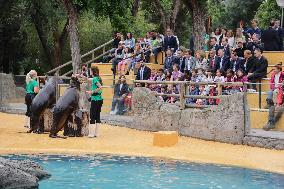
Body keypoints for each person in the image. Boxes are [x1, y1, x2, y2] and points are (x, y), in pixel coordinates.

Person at [87, 66, 103, 138]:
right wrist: (81, 76)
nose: (89, 72)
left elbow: (100, 87)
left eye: (90, 70)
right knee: (97, 116)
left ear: (93, 71)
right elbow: (88, 79)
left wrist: (92, 92)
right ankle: (97, 133)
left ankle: (91, 133)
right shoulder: (98, 78)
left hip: (95, 100)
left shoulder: (95, 79)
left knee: (92, 116)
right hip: (99, 99)